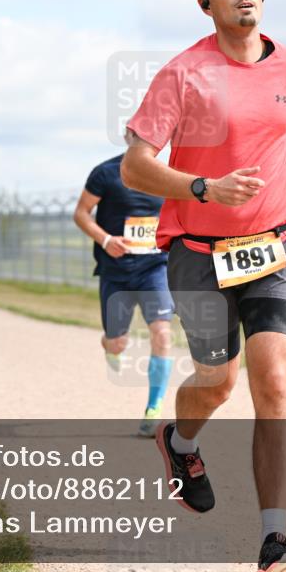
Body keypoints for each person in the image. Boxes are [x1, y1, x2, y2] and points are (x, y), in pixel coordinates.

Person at [120, 0, 286, 572]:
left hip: (277, 246)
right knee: (216, 383)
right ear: (206, 3)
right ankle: (180, 442)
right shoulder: (183, 74)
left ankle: (276, 544)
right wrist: (201, 188)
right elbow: (135, 165)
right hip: (197, 253)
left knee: (273, 381)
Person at [74, 154, 176, 437]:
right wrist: (106, 240)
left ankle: (153, 409)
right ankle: (110, 345)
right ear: (130, 136)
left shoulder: (168, 173)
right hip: (116, 270)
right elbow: (81, 213)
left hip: (155, 267)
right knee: (117, 342)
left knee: (162, 333)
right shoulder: (105, 173)